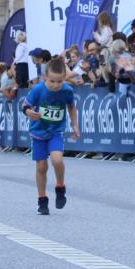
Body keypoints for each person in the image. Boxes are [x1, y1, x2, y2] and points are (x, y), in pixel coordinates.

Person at [22, 56, 79, 216]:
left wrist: (75, 125)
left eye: (59, 81)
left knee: (57, 160)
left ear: (64, 78)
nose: (55, 85)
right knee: (41, 167)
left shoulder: (67, 90)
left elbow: (71, 107)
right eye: (52, 81)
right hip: (38, 132)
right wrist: (29, 112)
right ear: (45, 77)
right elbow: (25, 106)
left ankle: (60, 187)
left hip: (56, 131)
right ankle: (42, 199)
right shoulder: (38, 90)